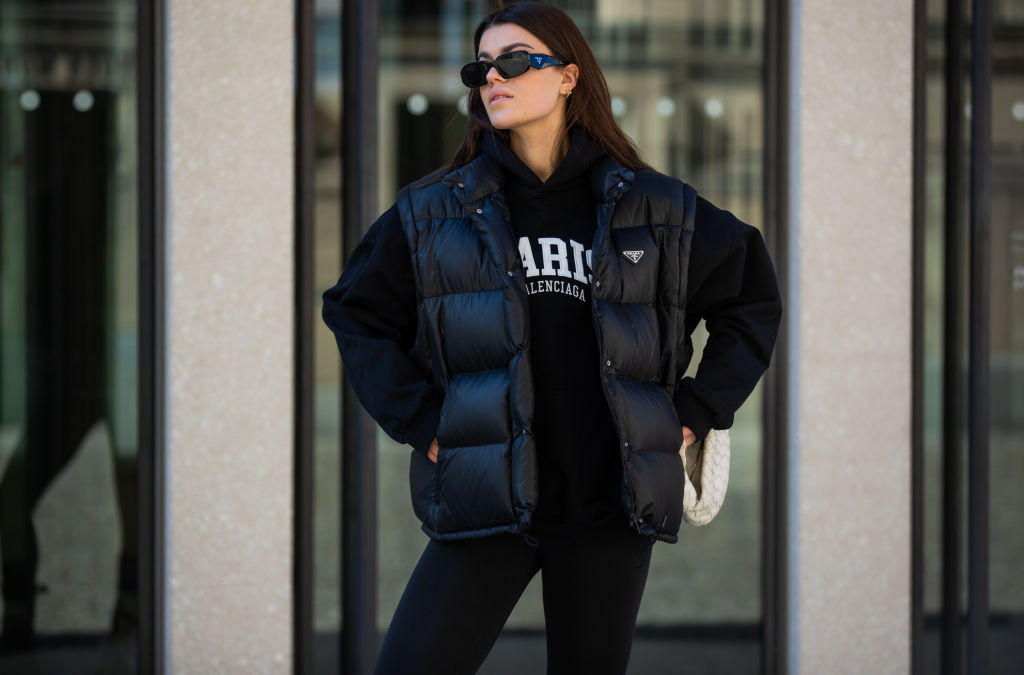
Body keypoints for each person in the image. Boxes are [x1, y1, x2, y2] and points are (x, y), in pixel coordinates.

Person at [322, 2, 781, 673]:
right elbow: (355, 310)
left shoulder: (652, 209)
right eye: (481, 67)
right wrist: (421, 418)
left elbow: (751, 297)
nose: (492, 77)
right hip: (488, 494)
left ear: (568, 77)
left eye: (513, 60)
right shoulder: (438, 211)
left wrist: (693, 413)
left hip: (608, 505)